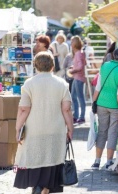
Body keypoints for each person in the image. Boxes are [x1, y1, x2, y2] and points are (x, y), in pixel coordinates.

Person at [13, 51, 74, 194]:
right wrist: (70, 129)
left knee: (35, 158)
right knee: (52, 160)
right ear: (52, 66)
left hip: (34, 130)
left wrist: (18, 129)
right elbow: (66, 109)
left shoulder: (29, 84)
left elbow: (23, 109)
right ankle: (45, 188)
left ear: (35, 66)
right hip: (56, 130)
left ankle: (37, 187)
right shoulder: (62, 84)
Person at [91, 47, 118, 170]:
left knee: (102, 131)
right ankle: (108, 162)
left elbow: (98, 87)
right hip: (114, 106)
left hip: (101, 103)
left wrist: (94, 102)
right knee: (112, 133)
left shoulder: (105, 65)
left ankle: (96, 161)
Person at [68, 35, 86, 124]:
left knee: (79, 97)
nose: (70, 44)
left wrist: (73, 70)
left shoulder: (78, 53)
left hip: (78, 77)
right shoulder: (80, 53)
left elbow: (80, 66)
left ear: (74, 44)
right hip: (78, 77)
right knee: (74, 97)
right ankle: (76, 116)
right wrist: (73, 67)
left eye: (72, 42)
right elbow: (82, 64)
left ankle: (81, 116)